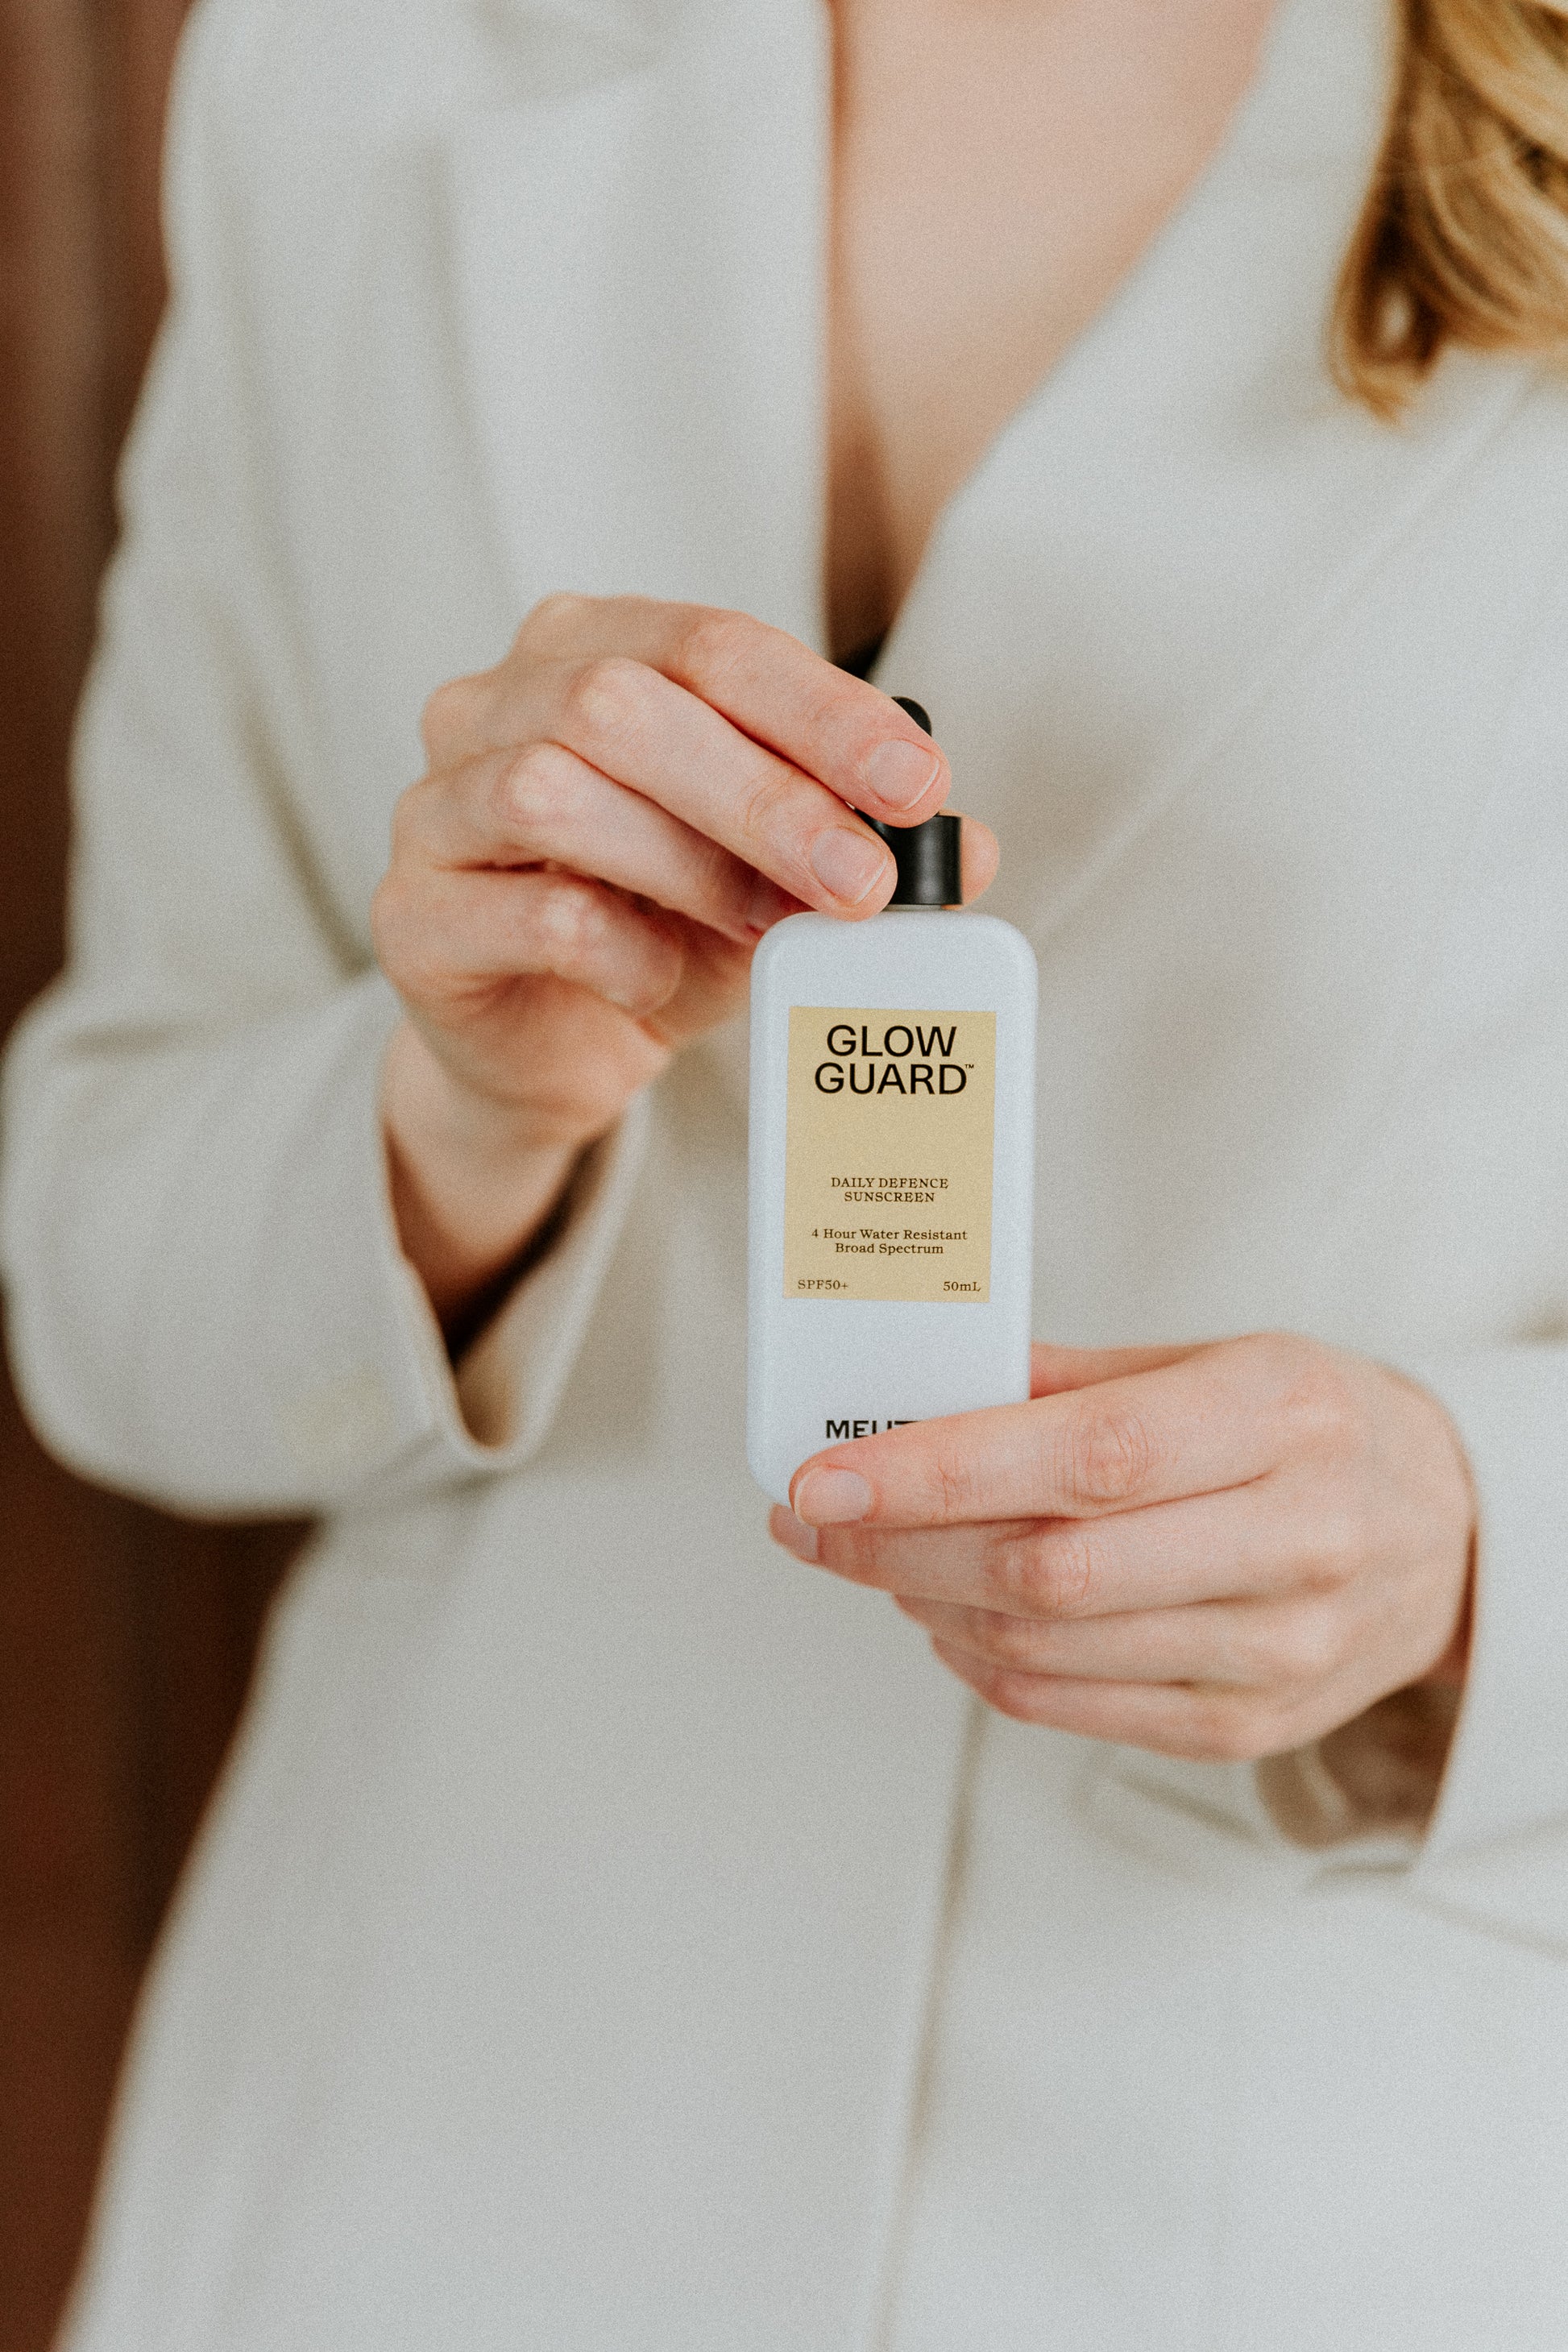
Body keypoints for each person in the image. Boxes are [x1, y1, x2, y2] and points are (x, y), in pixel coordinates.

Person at [5, 0, 1568, 2338]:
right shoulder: (349, 58)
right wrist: (457, 1125)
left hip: (1289, 2177)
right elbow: (104, 1285)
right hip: (436, 2140)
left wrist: (1473, 1547)